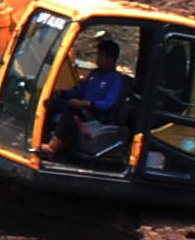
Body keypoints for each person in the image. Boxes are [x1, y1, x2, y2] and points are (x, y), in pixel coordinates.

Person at [57, 35, 136, 164]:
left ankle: (56, 142)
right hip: (85, 109)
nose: (97, 59)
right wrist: (62, 93)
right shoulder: (95, 74)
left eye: (100, 56)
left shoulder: (115, 80)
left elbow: (107, 104)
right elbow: (80, 91)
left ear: (110, 59)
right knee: (54, 103)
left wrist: (87, 103)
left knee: (71, 107)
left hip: (97, 116)